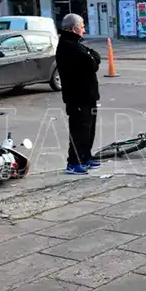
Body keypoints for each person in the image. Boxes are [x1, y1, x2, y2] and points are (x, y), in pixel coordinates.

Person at [56, 13, 102, 175]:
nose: (84, 29)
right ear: (74, 28)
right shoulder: (69, 46)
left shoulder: (76, 44)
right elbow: (91, 62)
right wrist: (92, 57)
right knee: (79, 130)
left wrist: (92, 56)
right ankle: (74, 162)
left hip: (88, 96)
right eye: (82, 26)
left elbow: (94, 56)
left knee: (89, 129)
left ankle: (85, 156)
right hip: (78, 97)